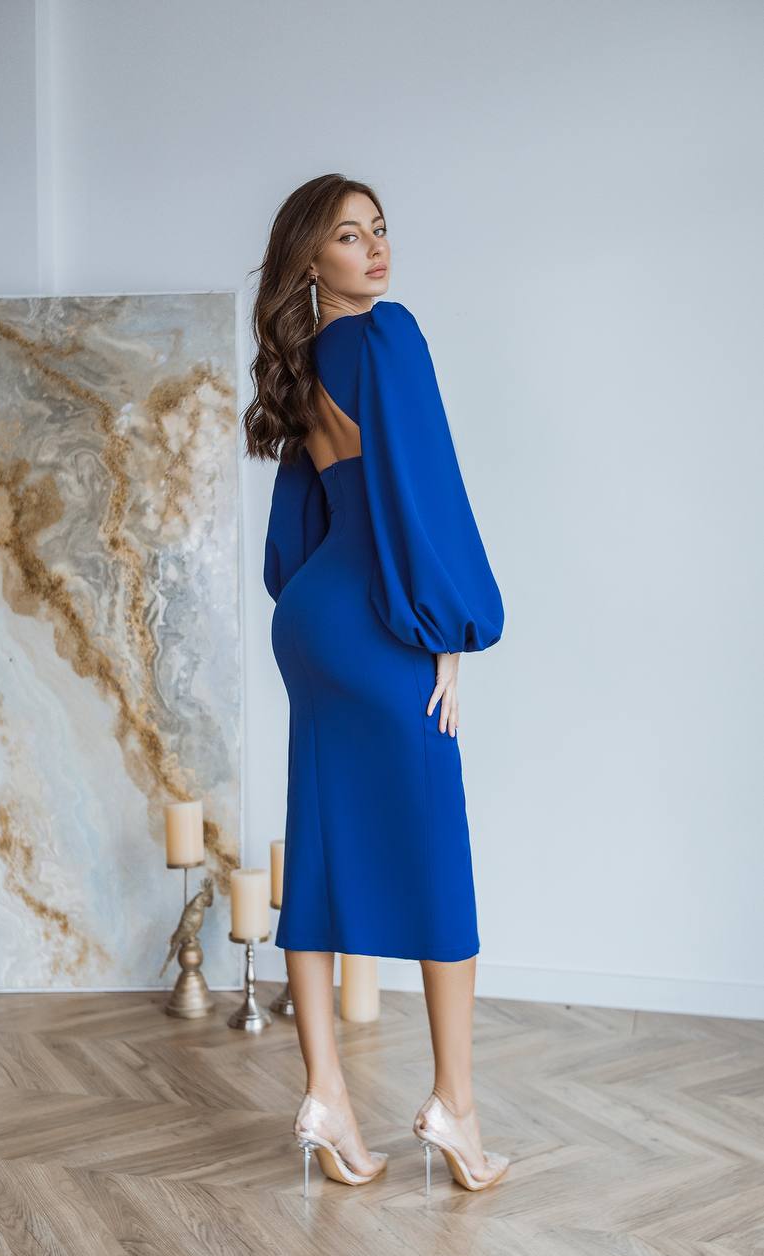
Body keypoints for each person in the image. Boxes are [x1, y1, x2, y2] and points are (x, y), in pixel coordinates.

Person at [243, 174, 509, 1196]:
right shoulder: (388, 338)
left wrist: (343, 602)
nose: (377, 248)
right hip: (375, 619)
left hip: (311, 620)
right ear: (313, 262)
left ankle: (326, 1097)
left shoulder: (306, 363)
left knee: (317, 845)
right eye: (350, 236)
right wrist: (447, 633)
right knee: (437, 847)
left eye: (380, 229)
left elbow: (298, 526)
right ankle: (456, 1103)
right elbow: (422, 487)